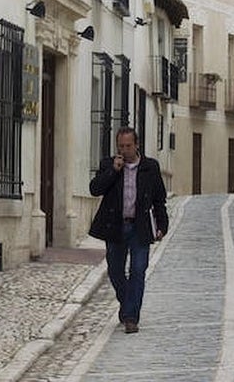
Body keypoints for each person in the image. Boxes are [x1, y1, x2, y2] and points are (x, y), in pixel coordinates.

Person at [88, 127, 168, 334]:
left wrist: (162, 225)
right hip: (115, 226)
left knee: (138, 270)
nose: (124, 150)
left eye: (128, 146)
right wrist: (113, 171)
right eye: (121, 146)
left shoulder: (150, 167)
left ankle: (131, 317)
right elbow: (95, 189)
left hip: (139, 226)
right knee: (115, 271)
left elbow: (159, 198)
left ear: (137, 145)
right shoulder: (109, 165)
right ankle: (127, 304)